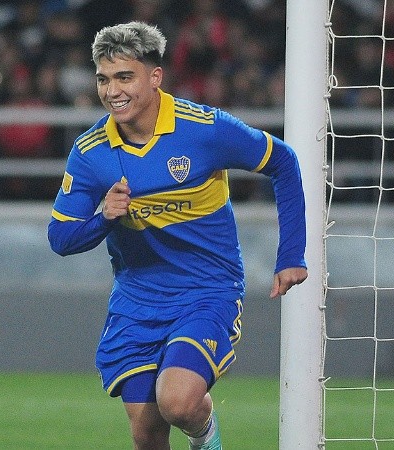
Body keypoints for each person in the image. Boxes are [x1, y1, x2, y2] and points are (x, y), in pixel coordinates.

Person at [47, 22, 308, 449]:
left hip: (207, 290)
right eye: (103, 79)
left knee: (180, 402)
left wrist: (291, 254)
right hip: (138, 300)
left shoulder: (204, 129)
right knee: (147, 434)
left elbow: (282, 161)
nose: (112, 90)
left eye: (124, 77)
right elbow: (60, 237)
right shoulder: (91, 151)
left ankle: (207, 437)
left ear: (154, 77)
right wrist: (104, 218)